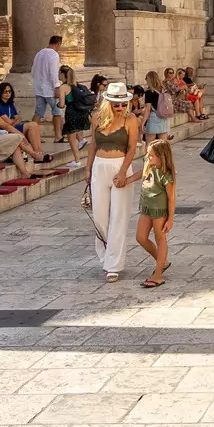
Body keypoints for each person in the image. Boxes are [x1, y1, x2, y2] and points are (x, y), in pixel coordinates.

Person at [85, 82, 141, 283]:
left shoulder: (131, 119)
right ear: (108, 103)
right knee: (99, 217)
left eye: (123, 104)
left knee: (119, 217)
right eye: (116, 105)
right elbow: (92, 144)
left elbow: (132, 148)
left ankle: (113, 265)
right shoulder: (97, 118)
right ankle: (104, 257)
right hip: (99, 166)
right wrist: (88, 169)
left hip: (120, 166)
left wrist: (124, 172)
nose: (121, 108)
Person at [136, 134, 176, 288]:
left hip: (160, 210)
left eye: (151, 155)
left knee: (160, 239)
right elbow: (142, 173)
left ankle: (158, 275)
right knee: (141, 237)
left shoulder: (166, 174)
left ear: (161, 157)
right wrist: (127, 180)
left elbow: (171, 198)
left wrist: (170, 219)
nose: (148, 157)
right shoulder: (149, 165)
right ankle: (162, 261)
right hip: (147, 207)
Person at [31, 35, 64, 140]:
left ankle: (34, 135)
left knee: (38, 112)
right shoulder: (54, 55)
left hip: (39, 88)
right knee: (57, 111)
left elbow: (33, 71)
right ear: (58, 43)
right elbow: (53, 72)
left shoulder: (39, 53)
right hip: (50, 89)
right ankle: (58, 136)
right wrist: (57, 87)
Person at [62, 70, 96, 165]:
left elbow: (61, 104)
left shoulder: (64, 87)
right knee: (74, 135)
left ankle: (77, 160)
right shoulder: (78, 86)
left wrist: (59, 104)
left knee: (71, 139)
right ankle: (81, 140)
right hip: (81, 112)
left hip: (71, 113)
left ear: (62, 74)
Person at [142, 69, 174, 138]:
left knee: (149, 144)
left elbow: (148, 109)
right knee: (163, 144)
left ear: (149, 80)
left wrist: (143, 123)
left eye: (146, 78)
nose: (146, 80)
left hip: (153, 117)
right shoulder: (163, 90)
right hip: (163, 117)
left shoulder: (149, 92)